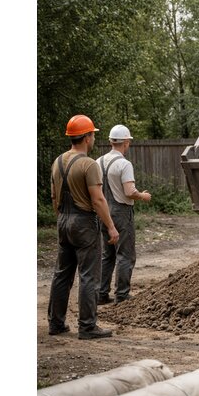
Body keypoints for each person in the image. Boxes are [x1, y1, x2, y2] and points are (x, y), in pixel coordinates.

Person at [48, 114, 119, 340]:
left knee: (62, 274)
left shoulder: (57, 162)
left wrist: (62, 220)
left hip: (63, 220)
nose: (93, 138)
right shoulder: (89, 164)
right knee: (89, 276)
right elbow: (98, 200)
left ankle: (56, 323)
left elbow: (53, 197)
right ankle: (87, 326)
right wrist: (111, 227)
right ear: (87, 137)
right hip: (83, 223)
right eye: (92, 134)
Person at [96, 124, 151, 305]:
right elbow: (129, 191)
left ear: (111, 141)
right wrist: (143, 195)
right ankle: (122, 295)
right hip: (121, 213)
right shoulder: (124, 164)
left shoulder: (98, 162)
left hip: (103, 212)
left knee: (107, 254)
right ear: (126, 142)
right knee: (125, 255)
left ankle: (101, 294)